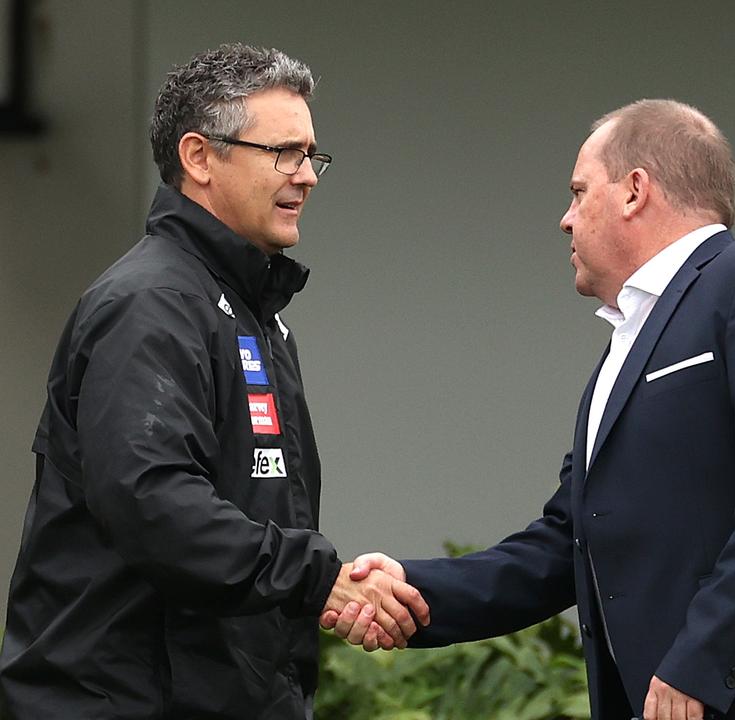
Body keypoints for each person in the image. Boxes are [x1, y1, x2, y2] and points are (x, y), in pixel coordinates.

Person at [327, 99, 735, 720]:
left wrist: (701, 660)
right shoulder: (625, 343)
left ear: (635, 190)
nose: (565, 219)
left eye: (579, 192)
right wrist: (411, 591)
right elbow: (570, 540)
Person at [0, 43, 427, 719]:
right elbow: (153, 502)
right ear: (199, 157)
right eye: (284, 152)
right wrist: (317, 582)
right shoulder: (149, 305)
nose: (308, 175)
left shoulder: (251, 311)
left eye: (311, 154)